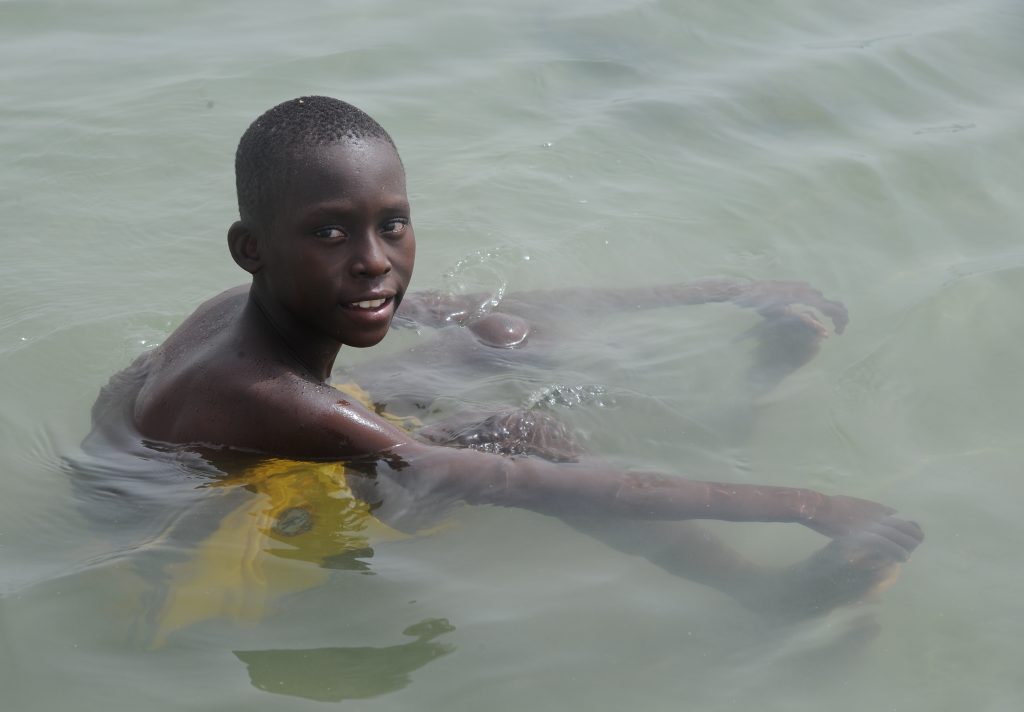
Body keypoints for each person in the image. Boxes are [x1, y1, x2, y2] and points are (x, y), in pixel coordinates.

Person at [85, 96, 921, 626]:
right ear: (251, 249)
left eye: (393, 224)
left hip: (228, 443)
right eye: (330, 230)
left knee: (496, 338)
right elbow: (520, 483)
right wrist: (811, 503)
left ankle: (744, 385)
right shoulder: (274, 394)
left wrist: (723, 288)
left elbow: (476, 313)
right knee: (515, 444)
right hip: (188, 521)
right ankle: (758, 596)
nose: (375, 259)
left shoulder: (248, 311)